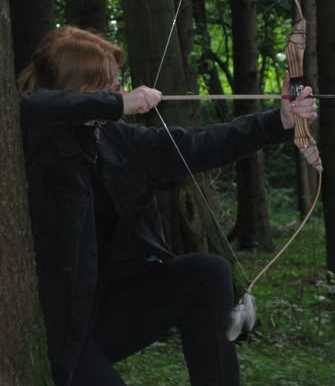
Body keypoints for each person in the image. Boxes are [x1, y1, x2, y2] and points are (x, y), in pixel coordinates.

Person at [19, 26, 317, 386]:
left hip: (115, 310)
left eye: (119, 84)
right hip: (65, 328)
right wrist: (120, 104)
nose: (120, 91)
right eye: (109, 87)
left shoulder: (114, 139)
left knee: (207, 274)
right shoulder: (38, 140)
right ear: (79, 90)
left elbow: (196, 145)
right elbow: (34, 105)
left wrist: (280, 120)